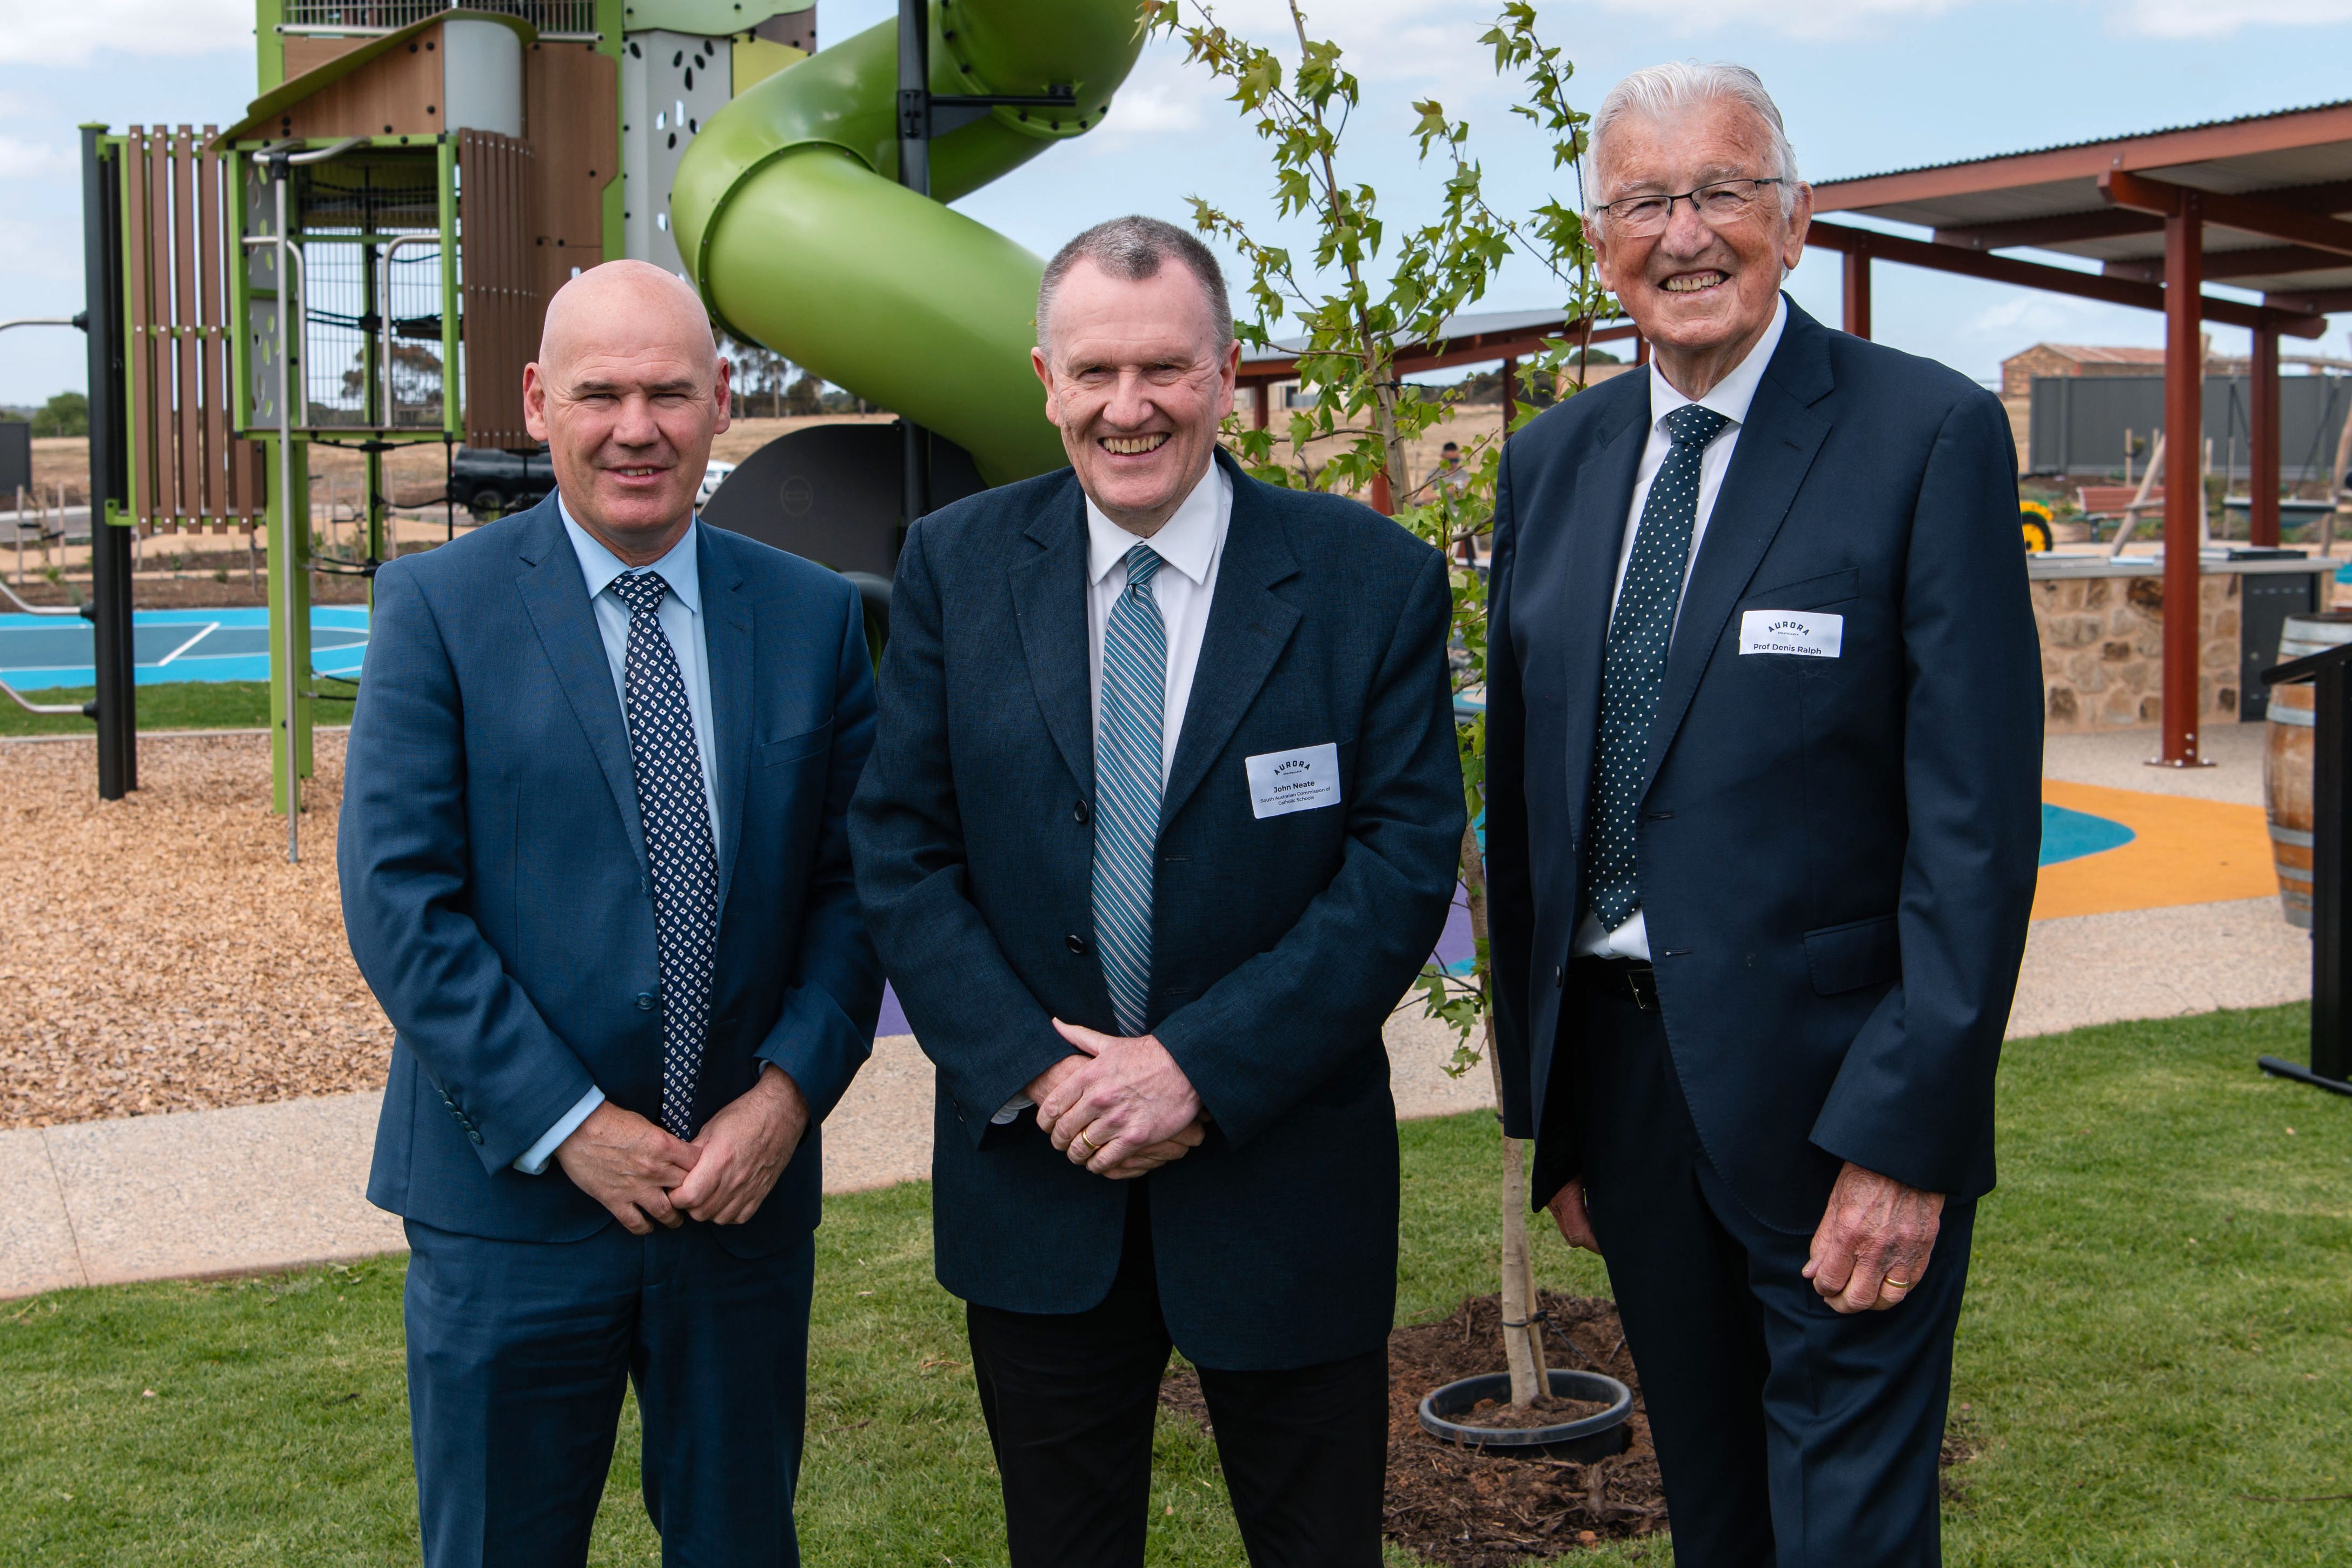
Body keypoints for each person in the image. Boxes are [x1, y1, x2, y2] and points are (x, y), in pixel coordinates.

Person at [1483, 63, 2040, 1567]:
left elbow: (1974, 827)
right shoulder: (1550, 462)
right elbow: (1530, 801)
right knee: (1714, 1513)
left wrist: (1904, 1139)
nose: (1684, 233)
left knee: (1846, 1528)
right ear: (1598, 239)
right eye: (1643, 201)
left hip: (1837, 1100)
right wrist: (1559, 1110)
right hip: (1626, 1086)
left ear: (1791, 219)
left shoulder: (1919, 436)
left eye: (1720, 190)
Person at [848, 215, 1464, 1568]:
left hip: (1284, 1179)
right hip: (1038, 1183)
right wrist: (1039, 1072)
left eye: (1167, 370)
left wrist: (1197, 1067)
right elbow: (898, 846)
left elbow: (1403, 860)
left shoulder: (1369, 582)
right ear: (1045, 379)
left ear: (1229, 372)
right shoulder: (955, 566)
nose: (1129, 409)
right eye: (1096, 373)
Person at [340, 260, 882, 1568]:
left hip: (740, 1206)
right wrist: (568, 1124)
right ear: (538, 401)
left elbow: (859, 885)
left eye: (667, 393)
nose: (635, 427)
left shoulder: (811, 616)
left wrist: (787, 1097)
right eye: (601, 393)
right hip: (513, 1208)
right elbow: (399, 897)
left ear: (721, 399)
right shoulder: (439, 611)